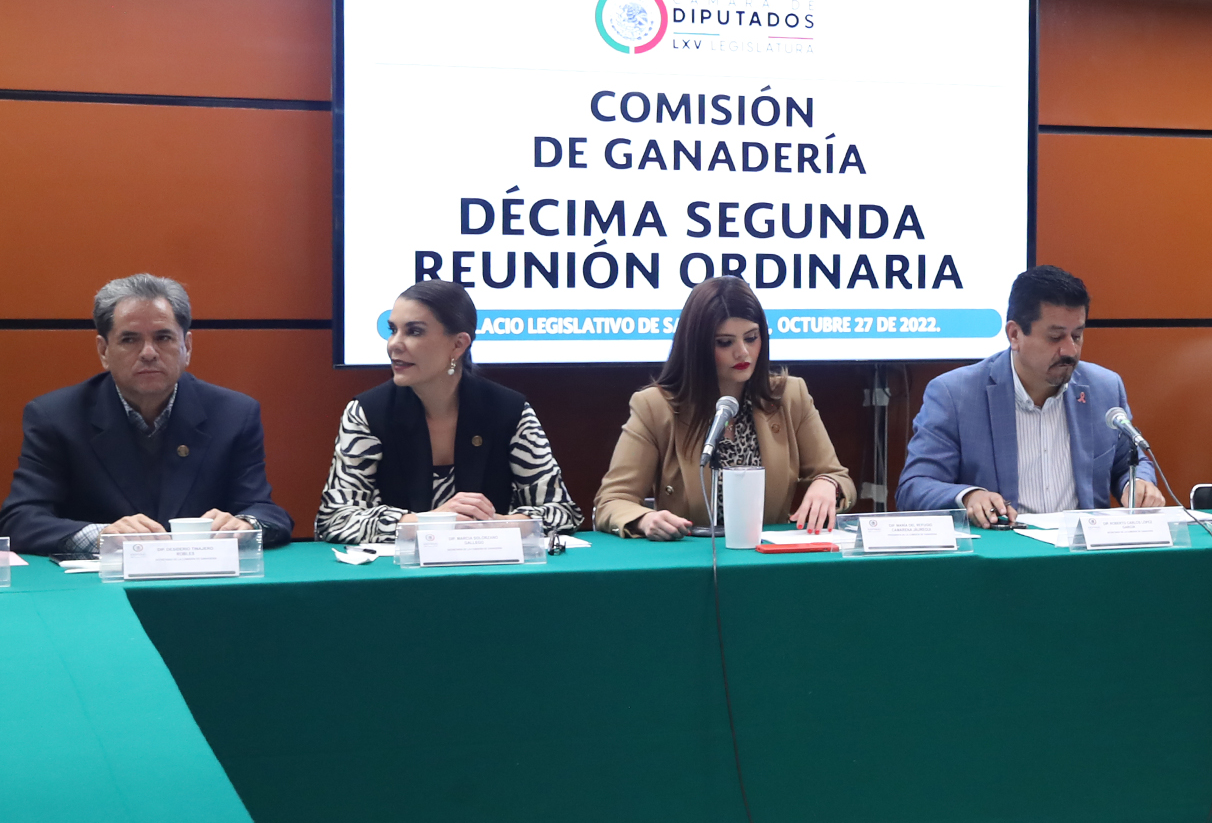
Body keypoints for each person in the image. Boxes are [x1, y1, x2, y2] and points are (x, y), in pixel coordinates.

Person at [0, 274, 292, 557]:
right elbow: (20, 519)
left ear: (187, 347)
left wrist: (246, 525)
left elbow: (265, 511)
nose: (148, 353)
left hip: (202, 579)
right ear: (104, 351)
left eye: (163, 337)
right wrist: (101, 536)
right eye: (130, 339)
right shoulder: (56, 417)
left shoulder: (234, 414)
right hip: (99, 582)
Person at [316, 282, 580, 544]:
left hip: (491, 567)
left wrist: (497, 524)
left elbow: (562, 512)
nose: (394, 344)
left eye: (414, 331)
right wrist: (430, 523)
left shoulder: (509, 411)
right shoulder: (367, 412)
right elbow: (334, 519)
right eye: (392, 330)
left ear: (458, 344)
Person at [897, 265, 1162, 522]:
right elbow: (914, 486)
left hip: (1082, 547)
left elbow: (1130, 462)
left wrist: (1137, 483)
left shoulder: (1104, 388)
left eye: (1077, 336)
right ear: (1014, 335)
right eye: (1055, 337)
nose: (1070, 351)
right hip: (1003, 548)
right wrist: (969, 496)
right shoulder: (955, 395)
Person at [595, 278, 853, 537]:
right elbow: (613, 501)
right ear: (697, 346)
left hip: (763, 553)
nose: (743, 352)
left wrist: (828, 483)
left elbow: (838, 477)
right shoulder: (655, 407)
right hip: (690, 554)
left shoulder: (789, 396)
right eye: (725, 342)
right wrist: (645, 519)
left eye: (751, 338)